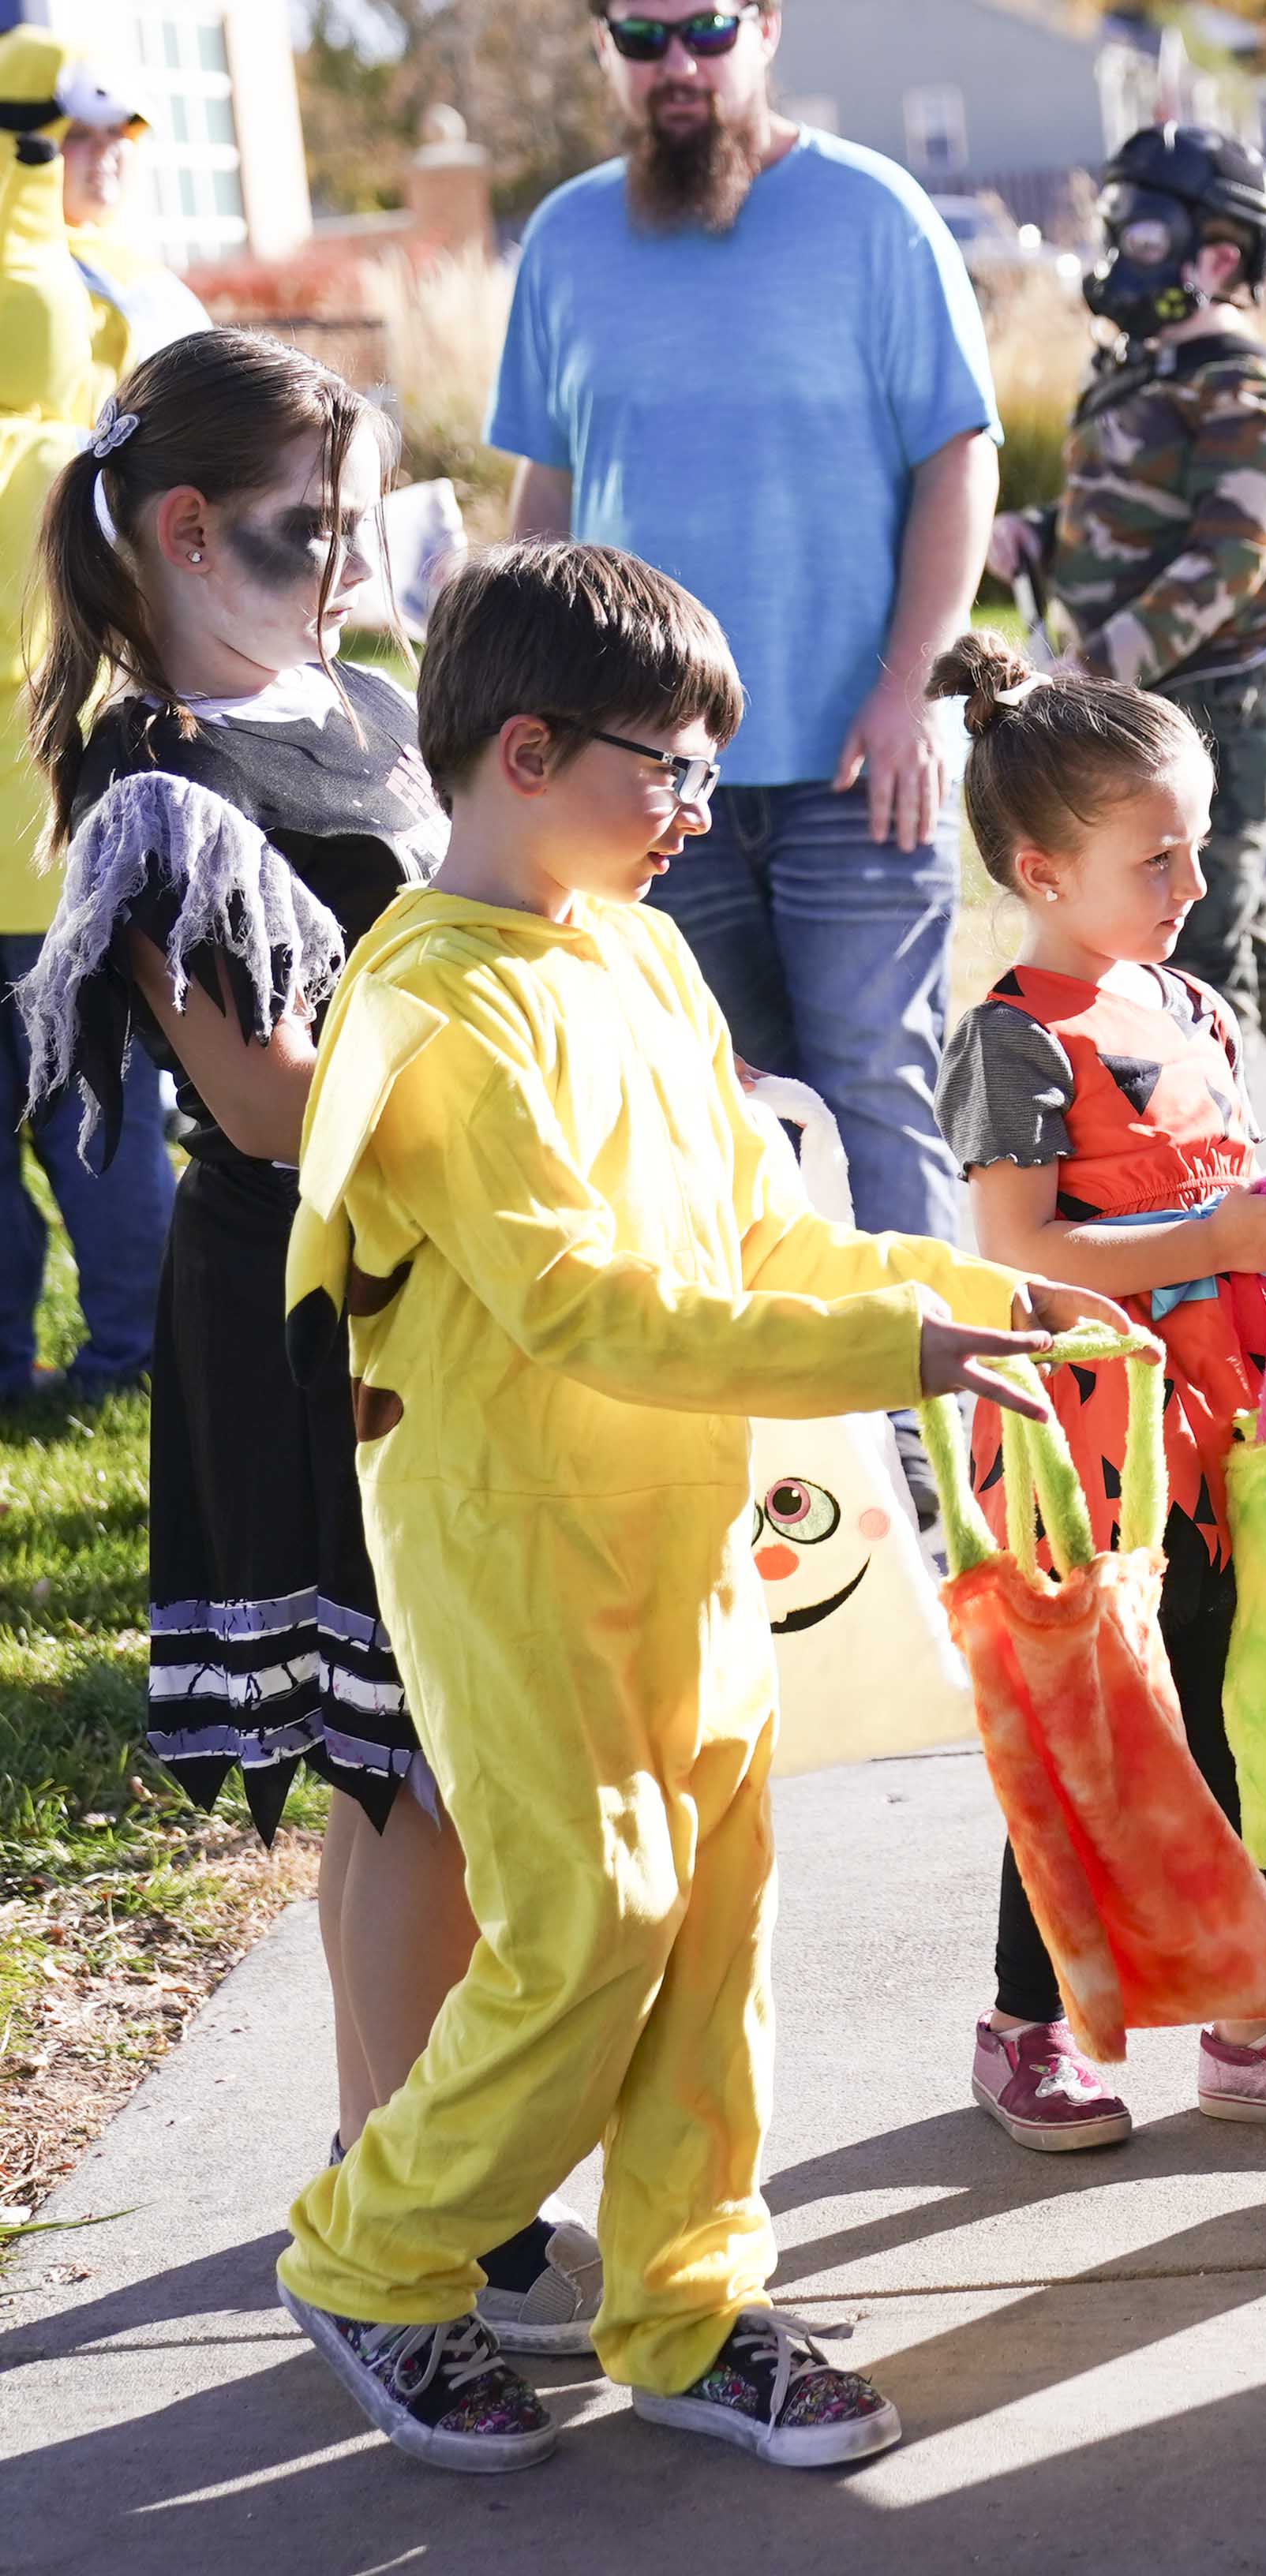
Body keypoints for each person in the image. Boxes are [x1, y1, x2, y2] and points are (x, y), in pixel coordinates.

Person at [269, 541, 1111, 2474]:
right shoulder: (430, 1012)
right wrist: (896, 1356)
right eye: (669, 771)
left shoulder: (637, 953)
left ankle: (686, 2306)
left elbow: (751, 1235)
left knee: (710, 1922)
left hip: (686, 1528)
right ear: (527, 749)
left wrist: (966, 1299)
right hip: (504, 1540)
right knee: (596, 1918)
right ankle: (372, 2253)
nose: (698, 813)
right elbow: (584, 1302)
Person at [15, 331, 601, 2354]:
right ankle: (422, 2201)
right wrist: (481, 1076)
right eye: (311, 524)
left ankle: (412, 2175)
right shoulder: (148, 776)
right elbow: (262, 1103)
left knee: (454, 1767)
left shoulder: (364, 702)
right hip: (305, 1309)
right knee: (398, 1772)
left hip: (456, 1292)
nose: (350, 557)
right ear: (189, 529)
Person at [927, 631, 1266, 2153]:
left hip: (1231, 1444)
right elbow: (1020, 1246)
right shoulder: (1015, 1039)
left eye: (1196, 848)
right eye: (1159, 857)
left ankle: (1252, 2028)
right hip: (1097, 1457)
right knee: (1095, 1735)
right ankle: (1025, 2027)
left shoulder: (1192, 1010)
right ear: (1042, 868)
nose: (1193, 883)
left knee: (1247, 1718)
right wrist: (1211, 1239)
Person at [490, 0, 998, 1243]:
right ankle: (789, 1440)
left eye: (709, 31)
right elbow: (543, 496)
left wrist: (906, 692)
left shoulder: (870, 212)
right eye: (644, 36)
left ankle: (932, 1425)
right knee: (702, 1103)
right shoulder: (565, 239)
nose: (679, 64)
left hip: (852, 759)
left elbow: (960, 459)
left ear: (764, 36)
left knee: (878, 1093)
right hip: (640, 772)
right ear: (606, 51)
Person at [988, 122, 1266, 1211]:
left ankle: (1201, 1200)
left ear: (1220, 256)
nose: (1117, 248)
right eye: (1114, 224)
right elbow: (1125, 518)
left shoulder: (1243, 382)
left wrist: (1090, 669)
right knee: (1219, 905)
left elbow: (1230, 555)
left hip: (1232, 697)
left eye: (1142, 227)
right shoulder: (1146, 371)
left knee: (1194, 947)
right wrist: (1036, 537)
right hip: (1155, 701)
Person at [0, 35, 170, 1408]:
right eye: (66, 142)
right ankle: (138, 1345)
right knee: (100, 1113)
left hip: (65, 829)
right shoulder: (91, 466)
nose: (95, 163)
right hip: (74, 832)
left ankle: (20, 1354)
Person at [51, 48, 212, 379]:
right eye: (78, 134)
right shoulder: (23, 263)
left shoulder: (129, 258)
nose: (104, 149)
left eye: (116, 132)